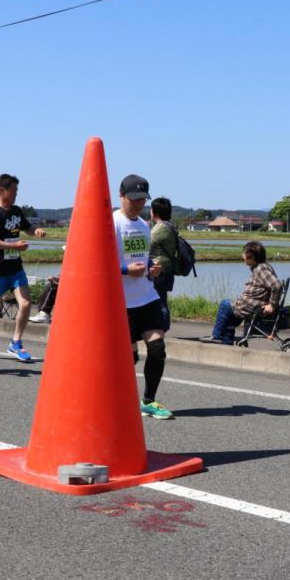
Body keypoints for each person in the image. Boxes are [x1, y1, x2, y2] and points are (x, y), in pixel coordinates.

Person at [114, 174, 174, 419]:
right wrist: (126, 270)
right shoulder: (111, 223)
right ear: (121, 196)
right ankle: (119, 401)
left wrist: (151, 267)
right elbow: (97, 262)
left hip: (146, 297)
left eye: (142, 200)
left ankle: (149, 400)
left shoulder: (143, 225)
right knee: (130, 358)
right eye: (134, 199)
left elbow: (143, 258)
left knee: (157, 349)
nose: (138, 204)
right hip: (122, 302)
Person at [0, 173, 47, 362]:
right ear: (2, 191)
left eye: (17, 191)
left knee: (25, 304)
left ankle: (16, 343)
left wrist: (35, 231)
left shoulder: (16, 211)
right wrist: (13, 246)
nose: (16, 194)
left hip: (15, 268)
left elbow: (27, 227)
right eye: (13, 191)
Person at [207, 241, 284, 345]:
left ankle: (217, 336)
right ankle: (227, 344)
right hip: (251, 305)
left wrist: (272, 305)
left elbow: (277, 285)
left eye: (246, 255)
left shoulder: (261, 269)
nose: (243, 257)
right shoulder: (261, 267)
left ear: (252, 257)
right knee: (230, 316)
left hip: (252, 307)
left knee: (225, 305)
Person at [148, 197, 178, 329]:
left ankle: (162, 328)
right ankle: (161, 326)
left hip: (159, 269)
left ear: (155, 212)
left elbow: (146, 243)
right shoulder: (171, 226)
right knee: (162, 300)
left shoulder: (160, 228)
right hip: (167, 268)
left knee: (160, 301)